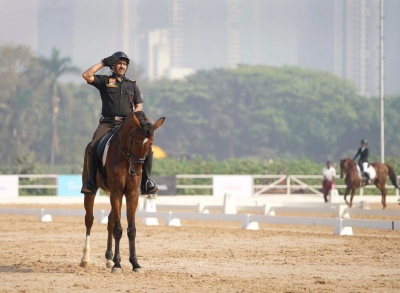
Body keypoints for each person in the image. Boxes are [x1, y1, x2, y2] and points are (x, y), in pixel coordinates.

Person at [80, 51, 158, 195]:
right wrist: (103, 62)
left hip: (127, 125)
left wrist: (133, 120)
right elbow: (86, 75)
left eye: (124, 64)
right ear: (113, 66)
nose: (122, 66)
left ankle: (147, 181)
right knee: (93, 146)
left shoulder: (132, 85)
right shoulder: (105, 81)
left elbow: (139, 106)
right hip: (108, 123)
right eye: (119, 63)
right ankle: (91, 181)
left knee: (147, 148)